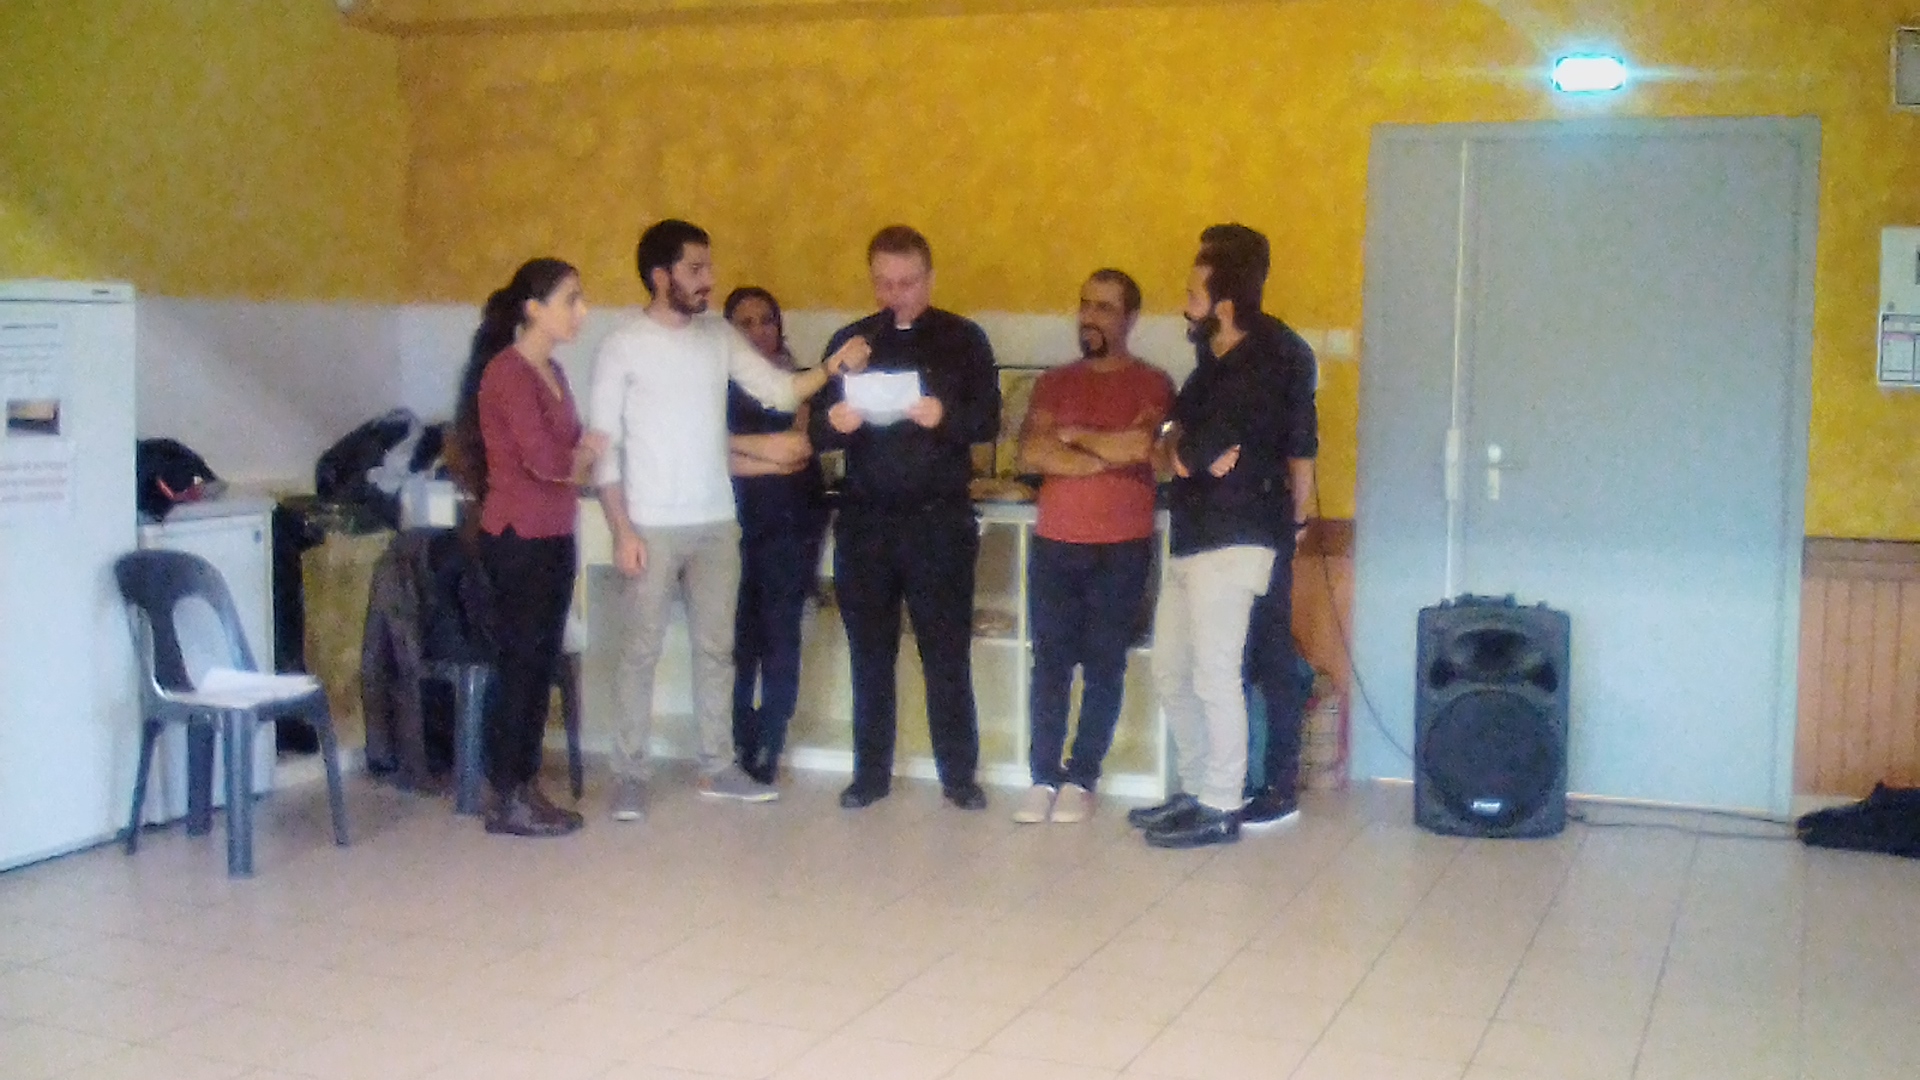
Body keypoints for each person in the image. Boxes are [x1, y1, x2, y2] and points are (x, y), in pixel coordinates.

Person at [588, 220, 868, 821]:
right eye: (695, 269)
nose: (708, 280)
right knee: (640, 652)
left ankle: (718, 766)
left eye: (708, 267)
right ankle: (629, 776)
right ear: (660, 275)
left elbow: (780, 392)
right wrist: (622, 530)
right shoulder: (623, 345)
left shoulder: (718, 336)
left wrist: (832, 367)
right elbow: (604, 449)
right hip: (650, 523)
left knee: (718, 651)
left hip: (718, 521)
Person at [809, 225, 1000, 810]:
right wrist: (835, 423)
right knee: (869, 655)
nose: (897, 295)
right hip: (865, 521)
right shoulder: (851, 341)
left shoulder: (963, 339)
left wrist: (944, 415)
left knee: (945, 653)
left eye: (908, 283)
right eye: (885, 284)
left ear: (930, 278)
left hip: (938, 522)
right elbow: (815, 429)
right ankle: (870, 775)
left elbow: (988, 422)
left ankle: (958, 776)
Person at [1127, 241, 1306, 848]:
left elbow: (1188, 455)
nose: (1184, 305)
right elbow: (1167, 448)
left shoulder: (1262, 369)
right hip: (1190, 537)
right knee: (1171, 671)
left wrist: (1183, 451)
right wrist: (1180, 448)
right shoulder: (1207, 368)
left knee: (1215, 675)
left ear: (1223, 305)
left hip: (1237, 541)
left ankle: (1223, 803)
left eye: (1192, 295)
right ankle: (1198, 788)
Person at [1010, 269, 1173, 825]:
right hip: (1056, 540)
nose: (1089, 317)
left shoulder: (1153, 382)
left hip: (1122, 544)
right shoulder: (1054, 382)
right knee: (1050, 663)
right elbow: (1032, 453)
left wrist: (1074, 438)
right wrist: (1106, 453)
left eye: (1104, 307)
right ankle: (1042, 776)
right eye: (1085, 305)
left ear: (1130, 318)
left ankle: (1082, 777)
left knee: (1105, 663)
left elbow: (1142, 445)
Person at [449, 257, 604, 838]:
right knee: (519, 664)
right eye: (571, 299)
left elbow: (572, 453)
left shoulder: (554, 371)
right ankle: (507, 793)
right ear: (534, 309)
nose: (581, 311)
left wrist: (581, 459)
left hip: (556, 533)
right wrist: (583, 458)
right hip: (517, 538)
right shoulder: (507, 373)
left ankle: (526, 785)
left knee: (540, 665)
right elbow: (546, 460)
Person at [1198, 224, 1319, 829]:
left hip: (1266, 522)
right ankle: (1232, 781)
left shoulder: (1285, 352)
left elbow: (1301, 448)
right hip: (1214, 525)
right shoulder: (1211, 345)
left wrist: (1297, 520)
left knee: (1270, 652)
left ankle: (1278, 784)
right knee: (1230, 658)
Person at [723, 286, 828, 785]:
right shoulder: (715, 385)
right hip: (730, 523)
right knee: (734, 636)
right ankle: (737, 737)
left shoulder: (798, 380)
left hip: (792, 521)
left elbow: (797, 450)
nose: (758, 331)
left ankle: (770, 738)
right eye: (744, 323)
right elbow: (707, 453)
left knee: (781, 631)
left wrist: (737, 451)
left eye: (766, 320)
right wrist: (767, 453)